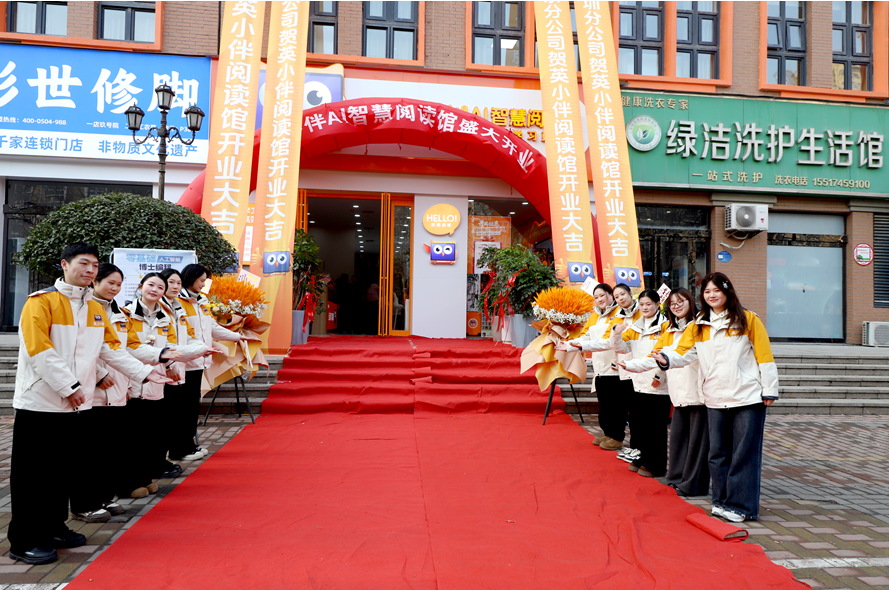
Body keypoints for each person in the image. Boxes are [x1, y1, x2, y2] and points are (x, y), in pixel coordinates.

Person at [8, 243, 169, 566]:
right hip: (40, 404)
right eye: (84, 263)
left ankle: (54, 528)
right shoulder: (41, 302)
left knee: (61, 472)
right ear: (64, 264)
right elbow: (39, 350)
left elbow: (111, 350)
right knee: (34, 476)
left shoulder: (94, 308)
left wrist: (144, 372)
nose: (90, 270)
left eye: (95, 265)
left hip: (75, 405)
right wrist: (69, 386)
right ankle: (25, 540)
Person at [653, 273, 778, 522]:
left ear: (727, 291)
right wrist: (667, 359)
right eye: (707, 291)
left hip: (746, 397)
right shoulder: (699, 324)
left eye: (716, 290)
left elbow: (764, 355)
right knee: (717, 453)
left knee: (743, 454)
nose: (712, 295)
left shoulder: (747, 319)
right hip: (714, 397)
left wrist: (769, 388)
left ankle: (740, 506)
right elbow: (683, 353)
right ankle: (720, 501)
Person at [121, 273, 208, 496]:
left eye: (160, 287)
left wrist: (171, 364)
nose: (155, 290)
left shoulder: (164, 316)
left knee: (152, 435)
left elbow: (168, 346)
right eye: (151, 285)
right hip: (132, 381)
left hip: (156, 382)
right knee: (132, 437)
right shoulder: (126, 313)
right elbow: (126, 348)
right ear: (140, 286)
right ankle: (129, 484)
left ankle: (144, 478)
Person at [620, 288, 709, 496]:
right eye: (673, 303)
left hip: (696, 391)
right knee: (678, 440)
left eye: (681, 301)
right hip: (677, 392)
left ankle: (692, 484)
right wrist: (631, 365)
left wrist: (662, 368)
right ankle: (677, 478)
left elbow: (683, 356)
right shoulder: (669, 329)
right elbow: (655, 356)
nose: (676, 306)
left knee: (695, 444)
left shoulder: (698, 326)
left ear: (691, 301)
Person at [172, 264, 245, 460]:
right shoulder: (177, 302)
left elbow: (212, 327)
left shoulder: (201, 301)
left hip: (199, 361)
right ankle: (180, 448)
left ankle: (189, 445)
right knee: (182, 409)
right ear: (190, 278)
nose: (204, 285)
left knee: (191, 407)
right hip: (184, 362)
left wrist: (238, 337)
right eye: (201, 280)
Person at [611, 289, 670, 478]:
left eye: (648, 304)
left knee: (656, 427)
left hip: (657, 384)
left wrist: (660, 376)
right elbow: (621, 348)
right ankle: (644, 457)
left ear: (657, 304)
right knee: (642, 425)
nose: (644, 308)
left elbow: (668, 353)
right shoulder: (636, 326)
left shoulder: (666, 326)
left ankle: (657, 465)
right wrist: (616, 334)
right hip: (638, 382)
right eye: (642, 304)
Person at [559, 284, 620, 448]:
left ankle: (617, 437)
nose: (599, 299)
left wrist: (579, 346)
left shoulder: (619, 313)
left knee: (614, 405)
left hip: (615, 367)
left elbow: (608, 341)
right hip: (599, 366)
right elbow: (585, 337)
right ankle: (608, 434)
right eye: (596, 297)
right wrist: (569, 345)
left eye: (602, 295)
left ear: (610, 294)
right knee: (604, 404)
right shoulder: (594, 316)